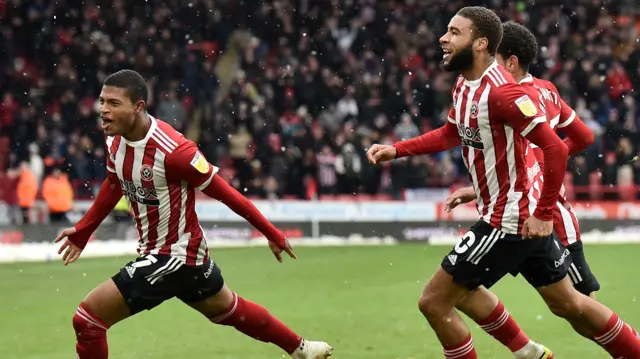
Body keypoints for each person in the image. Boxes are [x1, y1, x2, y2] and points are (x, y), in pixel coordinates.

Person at [366, 7, 640, 359]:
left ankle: (525, 349)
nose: (443, 38)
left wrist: (543, 212)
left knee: (435, 302)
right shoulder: (465, 84)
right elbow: (452, 133)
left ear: (480, 43)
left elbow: (555, 147)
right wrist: (397, 149)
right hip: (515, 215)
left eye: (453, 32)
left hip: (507, 220)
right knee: (569, 303)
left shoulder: (504, 95)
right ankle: (538, 351)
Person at [54, 69, 333, 359]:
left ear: (138, 107)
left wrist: (270, 232)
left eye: (113, 103)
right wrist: (84, 230)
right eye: (102, 101)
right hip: (182, 256)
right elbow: (114, 183)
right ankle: (302, 349)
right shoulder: (115, 140)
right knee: (229, 310)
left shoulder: (175, 151)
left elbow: (227, 193)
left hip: (174, 255)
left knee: (87, 320)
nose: (103, 110)